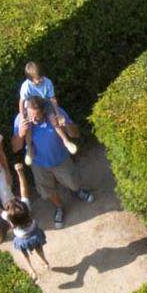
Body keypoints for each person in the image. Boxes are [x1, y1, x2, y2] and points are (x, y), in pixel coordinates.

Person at [12, 95, 93, 226]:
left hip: (61, 159)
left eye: (36, 116)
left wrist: (65, 124)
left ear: (44, 111)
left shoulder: (56, 113)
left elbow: (75, 134)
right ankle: (59, 207)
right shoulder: (20, 119)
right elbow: (15, 148)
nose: (32, 120)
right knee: (46, 190)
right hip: (38, 164)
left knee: (73, 182)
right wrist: (20, 134)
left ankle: (77, 191)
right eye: (30, 116)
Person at [4, 197, 52, 277]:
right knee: (39, 249)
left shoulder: (8, 216)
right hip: (35, 235)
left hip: (22, 240)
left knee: (24, 254)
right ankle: (45, 261)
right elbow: (23, 189)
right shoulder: (25, 208)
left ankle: (31, 270)